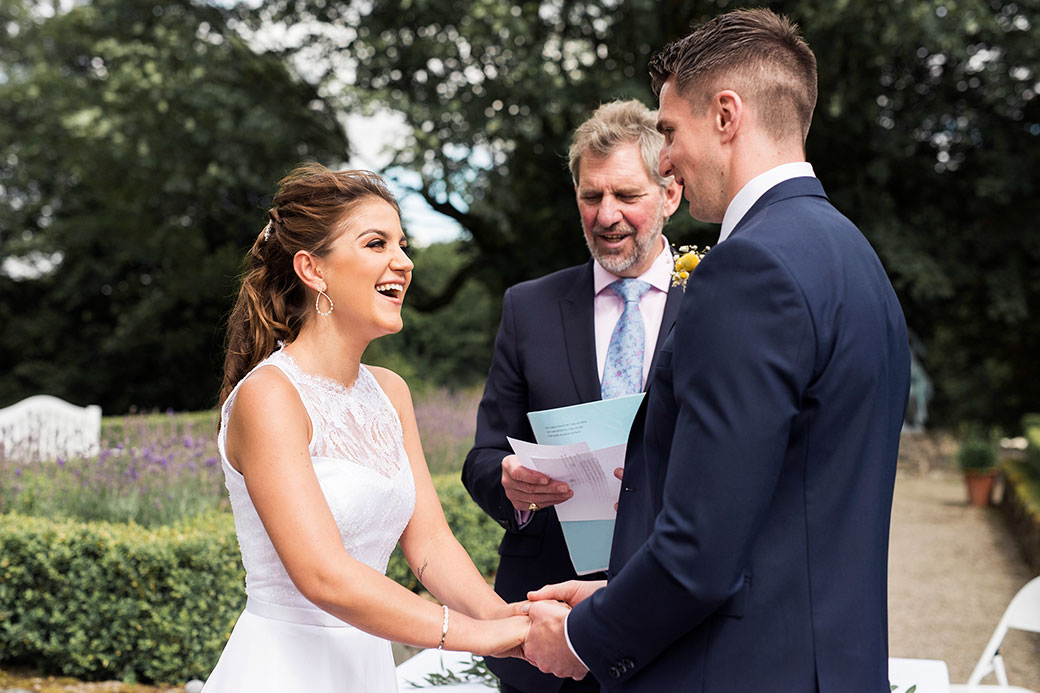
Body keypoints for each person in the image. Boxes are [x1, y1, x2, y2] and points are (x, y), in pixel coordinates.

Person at [522, 9, 911, 692]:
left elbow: (701, 549)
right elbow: (780, 513)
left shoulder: (748, 270)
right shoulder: (857, 259)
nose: (664, 156)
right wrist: (616, 594)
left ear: (726, 116)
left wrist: (584, 638)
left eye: (670, 130)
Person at [202, 163, 528, 692]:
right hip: (283, 671)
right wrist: (473, 636)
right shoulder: (269, 396)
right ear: (313, 269)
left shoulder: (391, 392)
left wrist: (503, 620)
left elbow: (429, 545)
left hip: (368, 670)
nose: (404, 262)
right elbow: (324, 575)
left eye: (403, 244)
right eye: (376, 244)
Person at [462, 100, 683, 693]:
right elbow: (480, 457)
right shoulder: (528, 307)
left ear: (671, 195)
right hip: (545, 620)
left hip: (676, 619)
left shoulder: (716, 300)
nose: (606, 215)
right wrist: (510, 480)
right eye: (591, 196)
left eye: (626, 195)